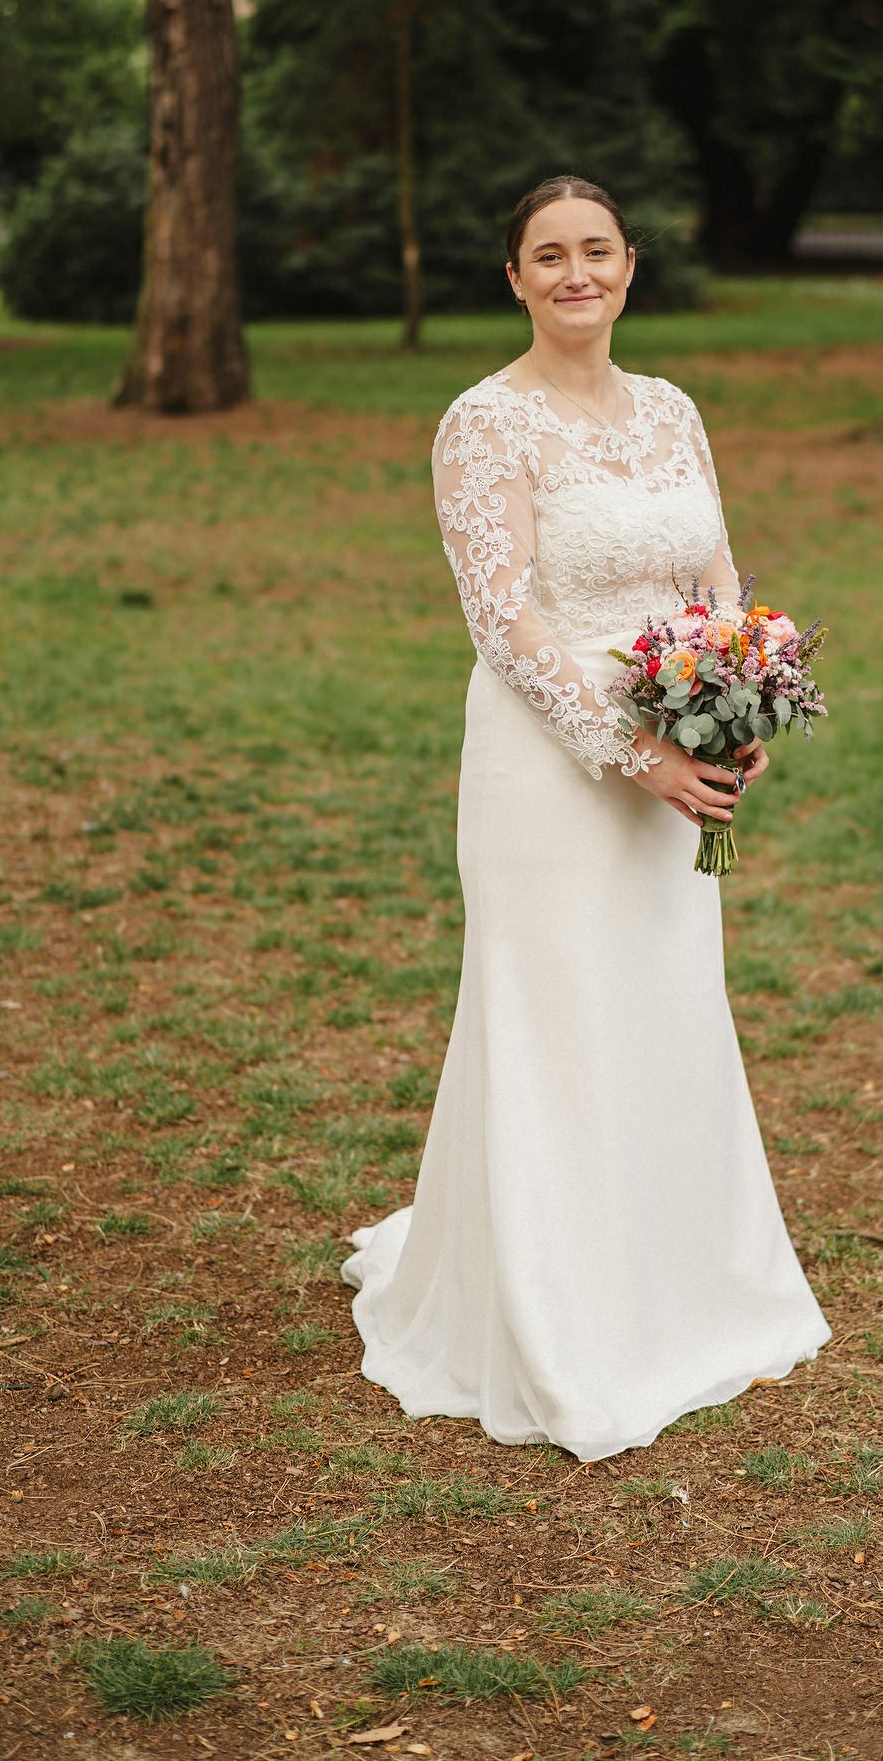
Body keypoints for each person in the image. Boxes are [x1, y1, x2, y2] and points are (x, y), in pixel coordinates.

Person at [340, 175, 830, 1460]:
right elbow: (505, 625)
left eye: (595, 251)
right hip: (554, 764)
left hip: (682, 734)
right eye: (546, 256)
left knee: (665, 1004)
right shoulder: (482, 425)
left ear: (629, 266)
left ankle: (680, 1283)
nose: (575, 274)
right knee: (555, 1017)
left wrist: (743, 697)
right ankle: (557, 1315)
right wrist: (639, 755)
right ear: (513, 278)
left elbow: (714, 571)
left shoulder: (672, 410)